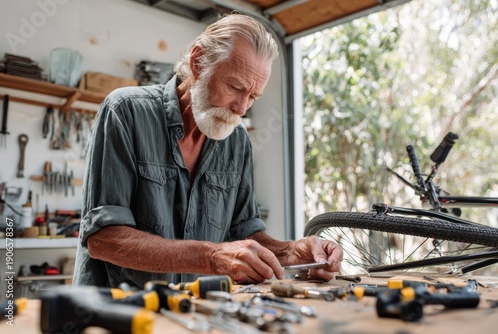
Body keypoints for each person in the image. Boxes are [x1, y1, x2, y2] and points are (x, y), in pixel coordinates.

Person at [73, 13, 342, 288]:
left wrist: (290, 252)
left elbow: (245, 231)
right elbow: (103, 239)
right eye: (235, 87)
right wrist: (211, 257)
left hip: (194, 315)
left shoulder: (236, 140)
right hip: (114, 315)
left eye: (253, 96)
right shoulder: (126, 112)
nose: (241, 109)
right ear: (198, 63)